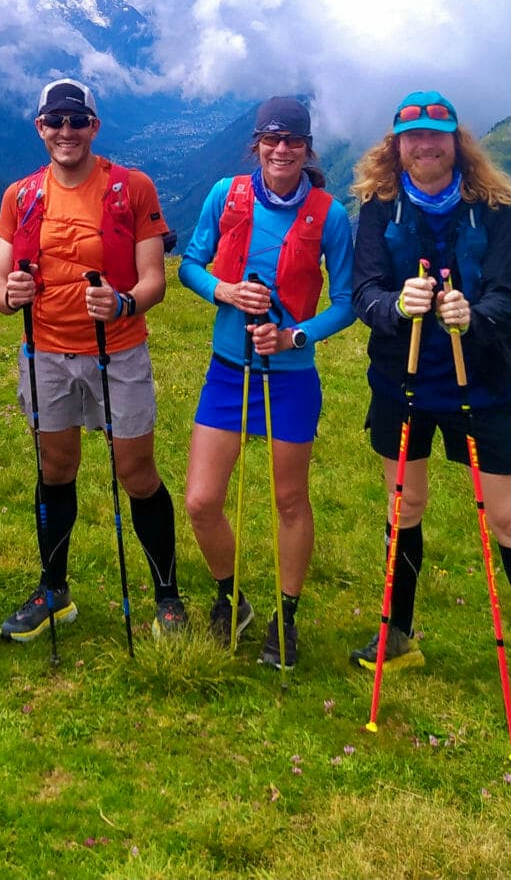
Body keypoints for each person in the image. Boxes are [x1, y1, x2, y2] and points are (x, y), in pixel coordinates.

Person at [348, 90, 511, 717]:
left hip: (481, 386)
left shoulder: (492, 208)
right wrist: (394, 307)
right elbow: (362, 290)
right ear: (397, 144)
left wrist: (477, 315)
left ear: (455, 140)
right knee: (405, 506)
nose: (424, 146)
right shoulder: (377, 206)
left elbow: (510, 295)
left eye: (436, 135)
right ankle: (400, 636)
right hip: (401, 385)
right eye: (412, 137)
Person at [0, 78, 187, 642]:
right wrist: (11, 298)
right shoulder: (21, 195)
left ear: (94, 127)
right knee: (55, 470)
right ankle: (54, 590)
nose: (66, 132)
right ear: (40, 128)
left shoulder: (131, 188)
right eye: (55, 122)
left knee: (136, 473)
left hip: (117, 350)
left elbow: (154, 282)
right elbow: (2, 290)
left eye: (78, 121)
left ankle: (167, 596)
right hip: (45, 350)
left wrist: (122, 303)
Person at [179, 97, 355, 669]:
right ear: (256, 144)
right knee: (202, 502)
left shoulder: (329, 215)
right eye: (272, 140)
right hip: (228, 371)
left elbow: (349, 302)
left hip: (291, 379)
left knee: (288, 500)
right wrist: (224, 292)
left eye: (294, 142)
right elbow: (189, 264)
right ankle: (232, 598)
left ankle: (287, 616)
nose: (282, 150)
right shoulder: (225, 195)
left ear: (307, 149)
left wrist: (294, 337)